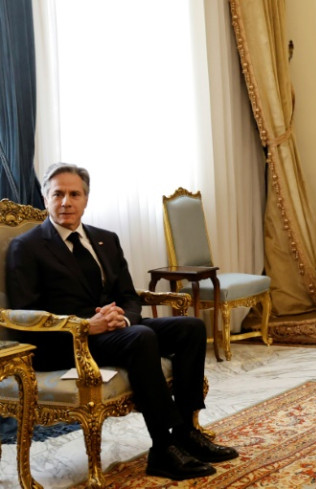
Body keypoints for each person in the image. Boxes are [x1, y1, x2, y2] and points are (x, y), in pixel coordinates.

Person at [5, 163, 238, 481]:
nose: (66, 202)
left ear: (86, 199)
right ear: (45, 198)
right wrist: (88, 324)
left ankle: (186, 431)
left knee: (190, 328)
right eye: (57, 194)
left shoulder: (105, 239)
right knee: (142, 337)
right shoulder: (27, 247)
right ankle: (163, 449)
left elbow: (129, 296)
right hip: (64, 340)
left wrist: (123, 319)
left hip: (114, 329)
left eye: (75, 194)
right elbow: (25, 312)